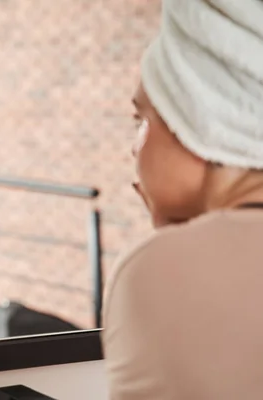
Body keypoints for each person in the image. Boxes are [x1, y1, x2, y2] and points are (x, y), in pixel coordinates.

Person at [102, 0, 263, 398]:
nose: (135, 150)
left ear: (205, 121)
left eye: (142, 120)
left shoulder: (160, 269)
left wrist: (175, 247)